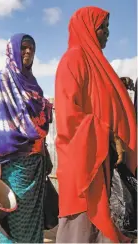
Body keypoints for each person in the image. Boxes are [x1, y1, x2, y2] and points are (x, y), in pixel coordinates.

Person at [55, 7, 137, 243]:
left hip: (107, 163)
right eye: (103, 27)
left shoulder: (98, 64)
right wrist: (109, 135)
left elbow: (100, 101)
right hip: (85, 167)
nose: (107, 33)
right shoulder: (73, 59)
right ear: (87, 28)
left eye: (108, 27)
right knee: (82, 230)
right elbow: (68, 117)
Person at [0, 34, 53, 243]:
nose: (28, 52)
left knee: (33, 218)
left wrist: (45, 153)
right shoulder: (2, 78)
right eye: (24, 48)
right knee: (13, 214)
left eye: (32, 49)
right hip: (12, 163)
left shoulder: (34, 84)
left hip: (36, 162)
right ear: (12, 51)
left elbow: (37, 126)